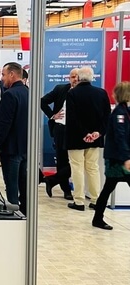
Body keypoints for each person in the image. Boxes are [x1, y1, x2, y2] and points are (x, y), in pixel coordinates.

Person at [65, 66, 110, 211]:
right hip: (95, 139)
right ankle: (96, 199)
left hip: (76, 138)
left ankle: (79, 201)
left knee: (77, 168)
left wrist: (85, 133)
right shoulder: (101, 93)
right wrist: (97, 133)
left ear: (78, 78)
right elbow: (106, 116)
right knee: (93, 168)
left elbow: (72, 118)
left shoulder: (73, 94)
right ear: (92, 77)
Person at [0, 62, 29, 215]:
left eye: (4, 75)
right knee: (24, 183)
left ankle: (14, 212)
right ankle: (25, 211)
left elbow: (4, 123)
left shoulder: (10, 95)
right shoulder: (28, 92)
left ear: (12, 74)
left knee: (11, 184)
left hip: (11, 148)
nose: (2, 78)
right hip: (25, 147)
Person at [92, 82, 130, 230]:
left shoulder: (124, 111)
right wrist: (126, 158)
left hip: (119, 158)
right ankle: (97, 218)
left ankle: (97, 218)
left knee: (108, 188)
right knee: (108, 188)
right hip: (117, 160)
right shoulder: (120, 113)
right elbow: (120, 136)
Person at [40, 68, 79, 200]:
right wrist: (52, 115)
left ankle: (52, 180)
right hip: (60, 129)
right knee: (62, 159)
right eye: (72, 77)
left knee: (76, 161)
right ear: (69, 78)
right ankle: (66, 190)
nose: (75, 79)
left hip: (77, 131)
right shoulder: (60, 89)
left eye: (77, 77)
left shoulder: (84, 92)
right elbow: (42, 101)